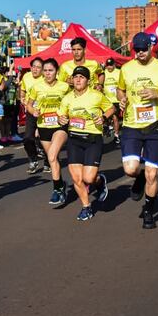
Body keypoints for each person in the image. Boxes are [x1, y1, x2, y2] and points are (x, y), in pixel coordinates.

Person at [116, 33, 158, 228]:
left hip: (154, 126)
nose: (140, 53)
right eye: (137, 49)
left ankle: (149, 211)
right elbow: (120, 89)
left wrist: (156, 94)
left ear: (151, 47)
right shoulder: (126, 68)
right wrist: (121, 99)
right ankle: (139, 177)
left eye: (144, 49)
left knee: (152, 174)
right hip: (132, 125)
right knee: (131, 169)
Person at [58, 66, 115, 221]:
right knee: (77, 178)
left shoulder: (96, 96)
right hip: (74, 139)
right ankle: (86, 207)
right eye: (75, 76)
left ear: (88, 81)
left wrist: (103, 117)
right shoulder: (67, 98)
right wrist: (61, 119)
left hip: (92, 139)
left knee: (88, 179)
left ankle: (100, 180)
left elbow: (111, 108)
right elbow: (61, 116)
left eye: (82, 77)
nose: (78, 79)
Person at [25, 58, 71, 205]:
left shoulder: (64, 87)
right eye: (45, 70)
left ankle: (56, 189)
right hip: (44, 126)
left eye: (50, 70)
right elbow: (29, 105)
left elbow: (72, 102)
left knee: (51, 155)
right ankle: (61, 185)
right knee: (53, 160)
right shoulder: (37, 87)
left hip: (60, 126)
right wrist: (34, 112)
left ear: (56, 72)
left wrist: (67, 115)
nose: (47, 73)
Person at [20, 58, 43, 174]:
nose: (35, 69)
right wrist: (22, 98)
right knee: (28, 138)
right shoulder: (26, 77)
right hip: (31, 110)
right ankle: (33, 159)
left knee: (44, 138)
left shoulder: (46, 77)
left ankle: (49, 161)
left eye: (38, 67)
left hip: (45, 112)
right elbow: (22, 90)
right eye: (33, 66)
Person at [102, 58, 121, 144]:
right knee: (106, 116)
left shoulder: (119, 72)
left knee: (115, 117)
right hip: (106, 100)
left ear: (114, 65)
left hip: (116, 100)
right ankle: (109, 127)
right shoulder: (104, 73)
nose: (109, 67)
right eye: (108, 65)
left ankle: (116, 135)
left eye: (111, 65)